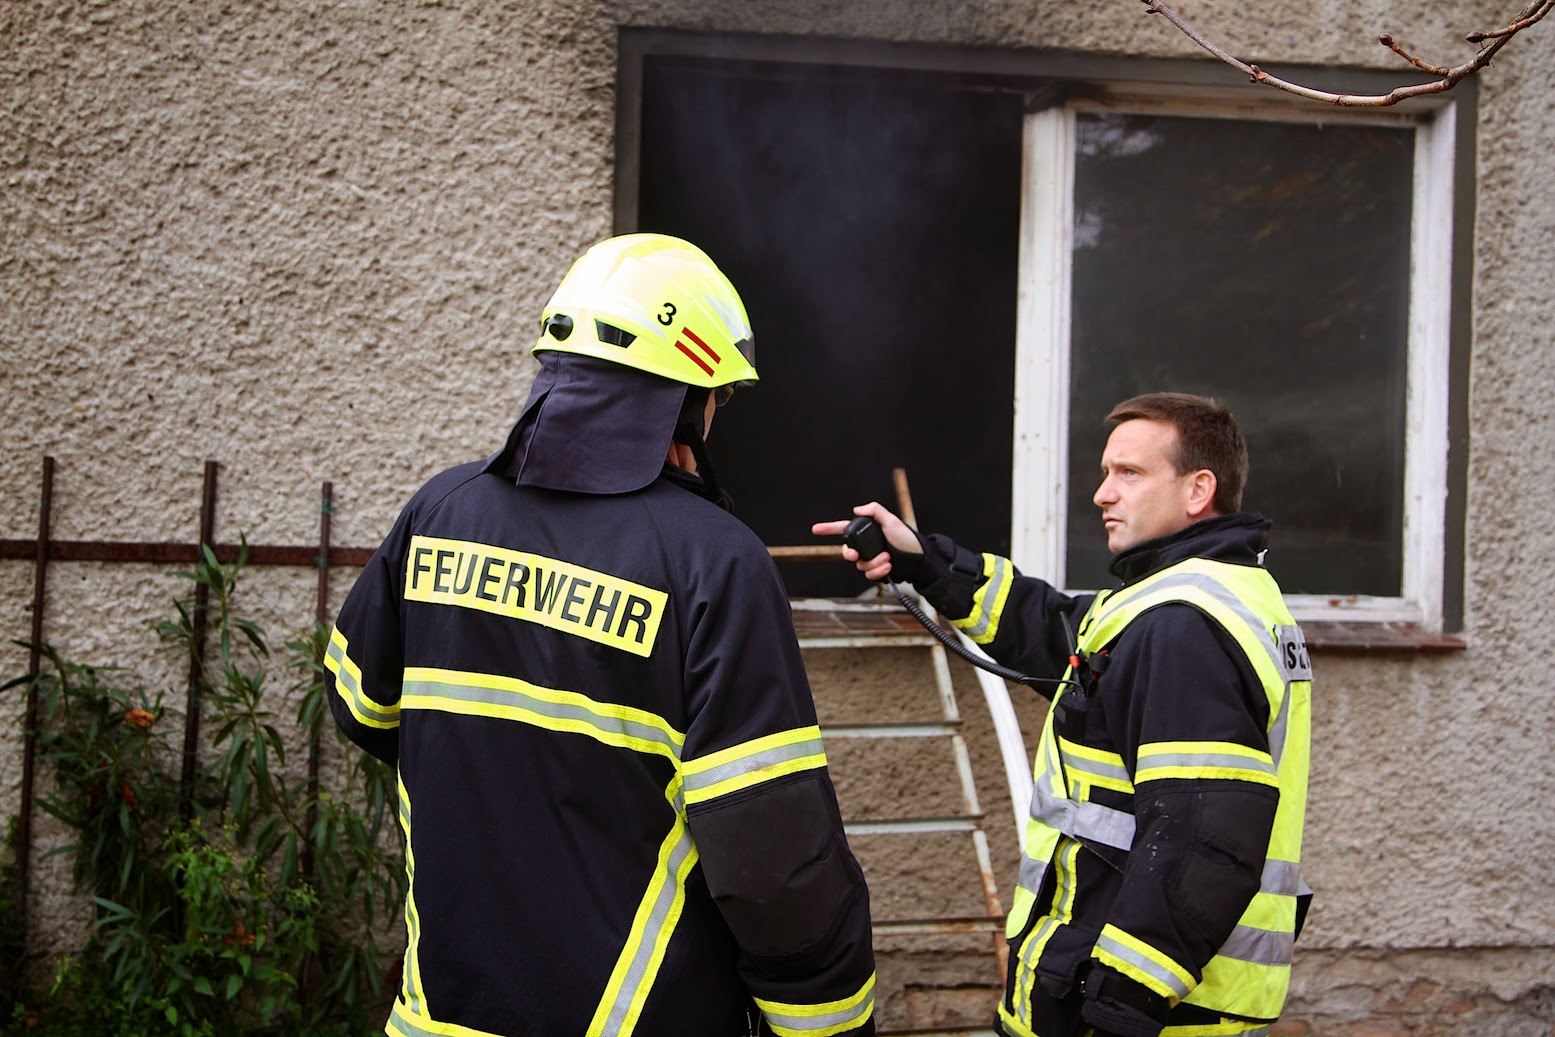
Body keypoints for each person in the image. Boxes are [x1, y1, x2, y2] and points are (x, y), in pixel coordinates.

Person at [327, 234, 877, 1037]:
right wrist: (831, 1025)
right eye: (717, 392)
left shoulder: (440, 511)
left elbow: (361, 710)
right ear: (686, 396)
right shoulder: (713, 560)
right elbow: (771, 863)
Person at [813, 393, 1311, 1037]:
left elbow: (1201, 844)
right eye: (1105, 473)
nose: (1104, 493)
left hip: (1138, 1011)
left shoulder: (1182, 626)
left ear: (1199, 490)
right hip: (1144, 994)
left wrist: (1118, 1009)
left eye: (1129, 473)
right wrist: (927, 564)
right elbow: (1052, 632)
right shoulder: (1189, 599)